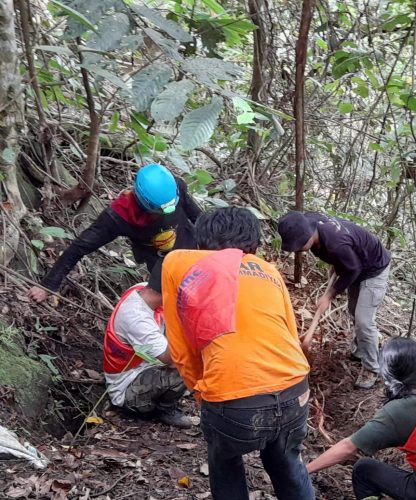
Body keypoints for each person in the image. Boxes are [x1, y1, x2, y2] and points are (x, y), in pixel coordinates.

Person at [161, 207, 314, 500]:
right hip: (295, 390)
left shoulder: (179, 263)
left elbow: (180, 347)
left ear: (200, 241)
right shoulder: (268, 270)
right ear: (253, 245)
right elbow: (291, 335)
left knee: (225, 460)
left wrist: (200, 391)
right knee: (287, 462)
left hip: (234, 401)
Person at [306, 337, 416, 499]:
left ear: (387, 374)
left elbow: (348, 447)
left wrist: (304, 471)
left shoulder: (397, 413)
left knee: (363, 470)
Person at [28, 163, 202, 302]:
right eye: (161, 211)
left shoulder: (175, 188)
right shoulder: (119, 216)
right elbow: (80, 247)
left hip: (195, 253)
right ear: (145, 204)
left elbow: (198, 218)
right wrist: (49, 285)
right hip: (164, 269)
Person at [277, 211, 390, 389]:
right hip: (355, 264)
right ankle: (361, 350)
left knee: (364, 320)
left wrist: (329, 295)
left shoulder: (336, 243)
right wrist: (337, 264)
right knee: (354, 311)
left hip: (373, 268)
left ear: (308, 235)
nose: (298, 250)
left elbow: (353, 269)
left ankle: (372, 368)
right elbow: (347, 263)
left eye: (300, 246)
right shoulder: (310, 222)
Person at [103, 281, 192, 428]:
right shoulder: (137, 319)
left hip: (144, 366)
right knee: (186, 365)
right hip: (126, 389)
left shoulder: (142, 290)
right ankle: (164, 409)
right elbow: (173, 360)